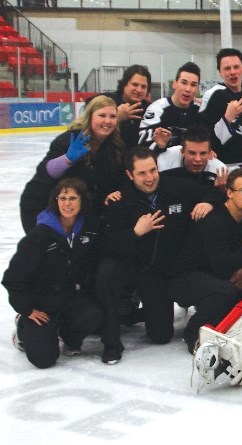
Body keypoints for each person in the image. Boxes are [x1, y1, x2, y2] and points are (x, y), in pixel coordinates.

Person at [97, 147, 219, 364]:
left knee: (161, 335)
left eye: (153, 170)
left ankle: (139, 313)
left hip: (162, 273)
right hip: (135, 268)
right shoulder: (119, 200)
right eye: (142, 173)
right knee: (107, 271)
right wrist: (135, 233)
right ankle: (112, 336)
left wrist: (207, 202)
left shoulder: (175, 188)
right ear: (129, 175)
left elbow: (210, 192)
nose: (150, 178)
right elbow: (110, 245)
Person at [169, 168, 242, 352]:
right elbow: (223, 268)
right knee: (225, 290)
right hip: (183, 279)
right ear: (229, 193)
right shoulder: (215, 221)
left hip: (211, 275)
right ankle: (193, 333)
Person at [3, 178, 103, 368]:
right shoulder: (40, 235)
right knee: (44, 360)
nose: (67, 203)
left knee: (94, 315)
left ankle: (69, 337)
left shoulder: (89, 229)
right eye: (63, 198)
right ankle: (23, 330)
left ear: (82, 201)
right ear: (55, 200)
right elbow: (13, 277)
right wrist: (27, 308)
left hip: (71, 296)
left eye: (73, 198)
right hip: (42, 303)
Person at [20, 95, 125, 234]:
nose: (107, 121)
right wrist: (67, 159)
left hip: (76, 210)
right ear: (90, 116)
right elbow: (44, 172)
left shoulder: (116, 146)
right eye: (102, 115)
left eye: (112, 116)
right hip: (41, 205)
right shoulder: (71, 139)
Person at [199, 48, 242, 164]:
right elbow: (204, 137)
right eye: (227, 68)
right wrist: (227, 118)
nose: (232, 72)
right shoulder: (212, 96)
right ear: (220, 72)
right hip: (226, 163)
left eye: (236, 67)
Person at [138, 62, 202, 151]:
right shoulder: (157, 108)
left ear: (198, 89)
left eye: (193, 85)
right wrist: (159, 146)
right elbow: (142, 147)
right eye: (184, 83)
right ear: (174, 84)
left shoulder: (200, 110)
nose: (188, 89)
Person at [98, 64, 151, 149]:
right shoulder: (106, 101)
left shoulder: (150, 109)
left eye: (143, 87)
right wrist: (115, 117)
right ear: (124, 84)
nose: (139, 90)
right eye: (135, 84)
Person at [156, 125, 227, 188]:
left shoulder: (220, 171)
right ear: (182, 151)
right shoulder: (166, 158)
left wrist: (220, 191)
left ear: (209, 153)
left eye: (203, 153)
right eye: (192, 153)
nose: (198, 159)